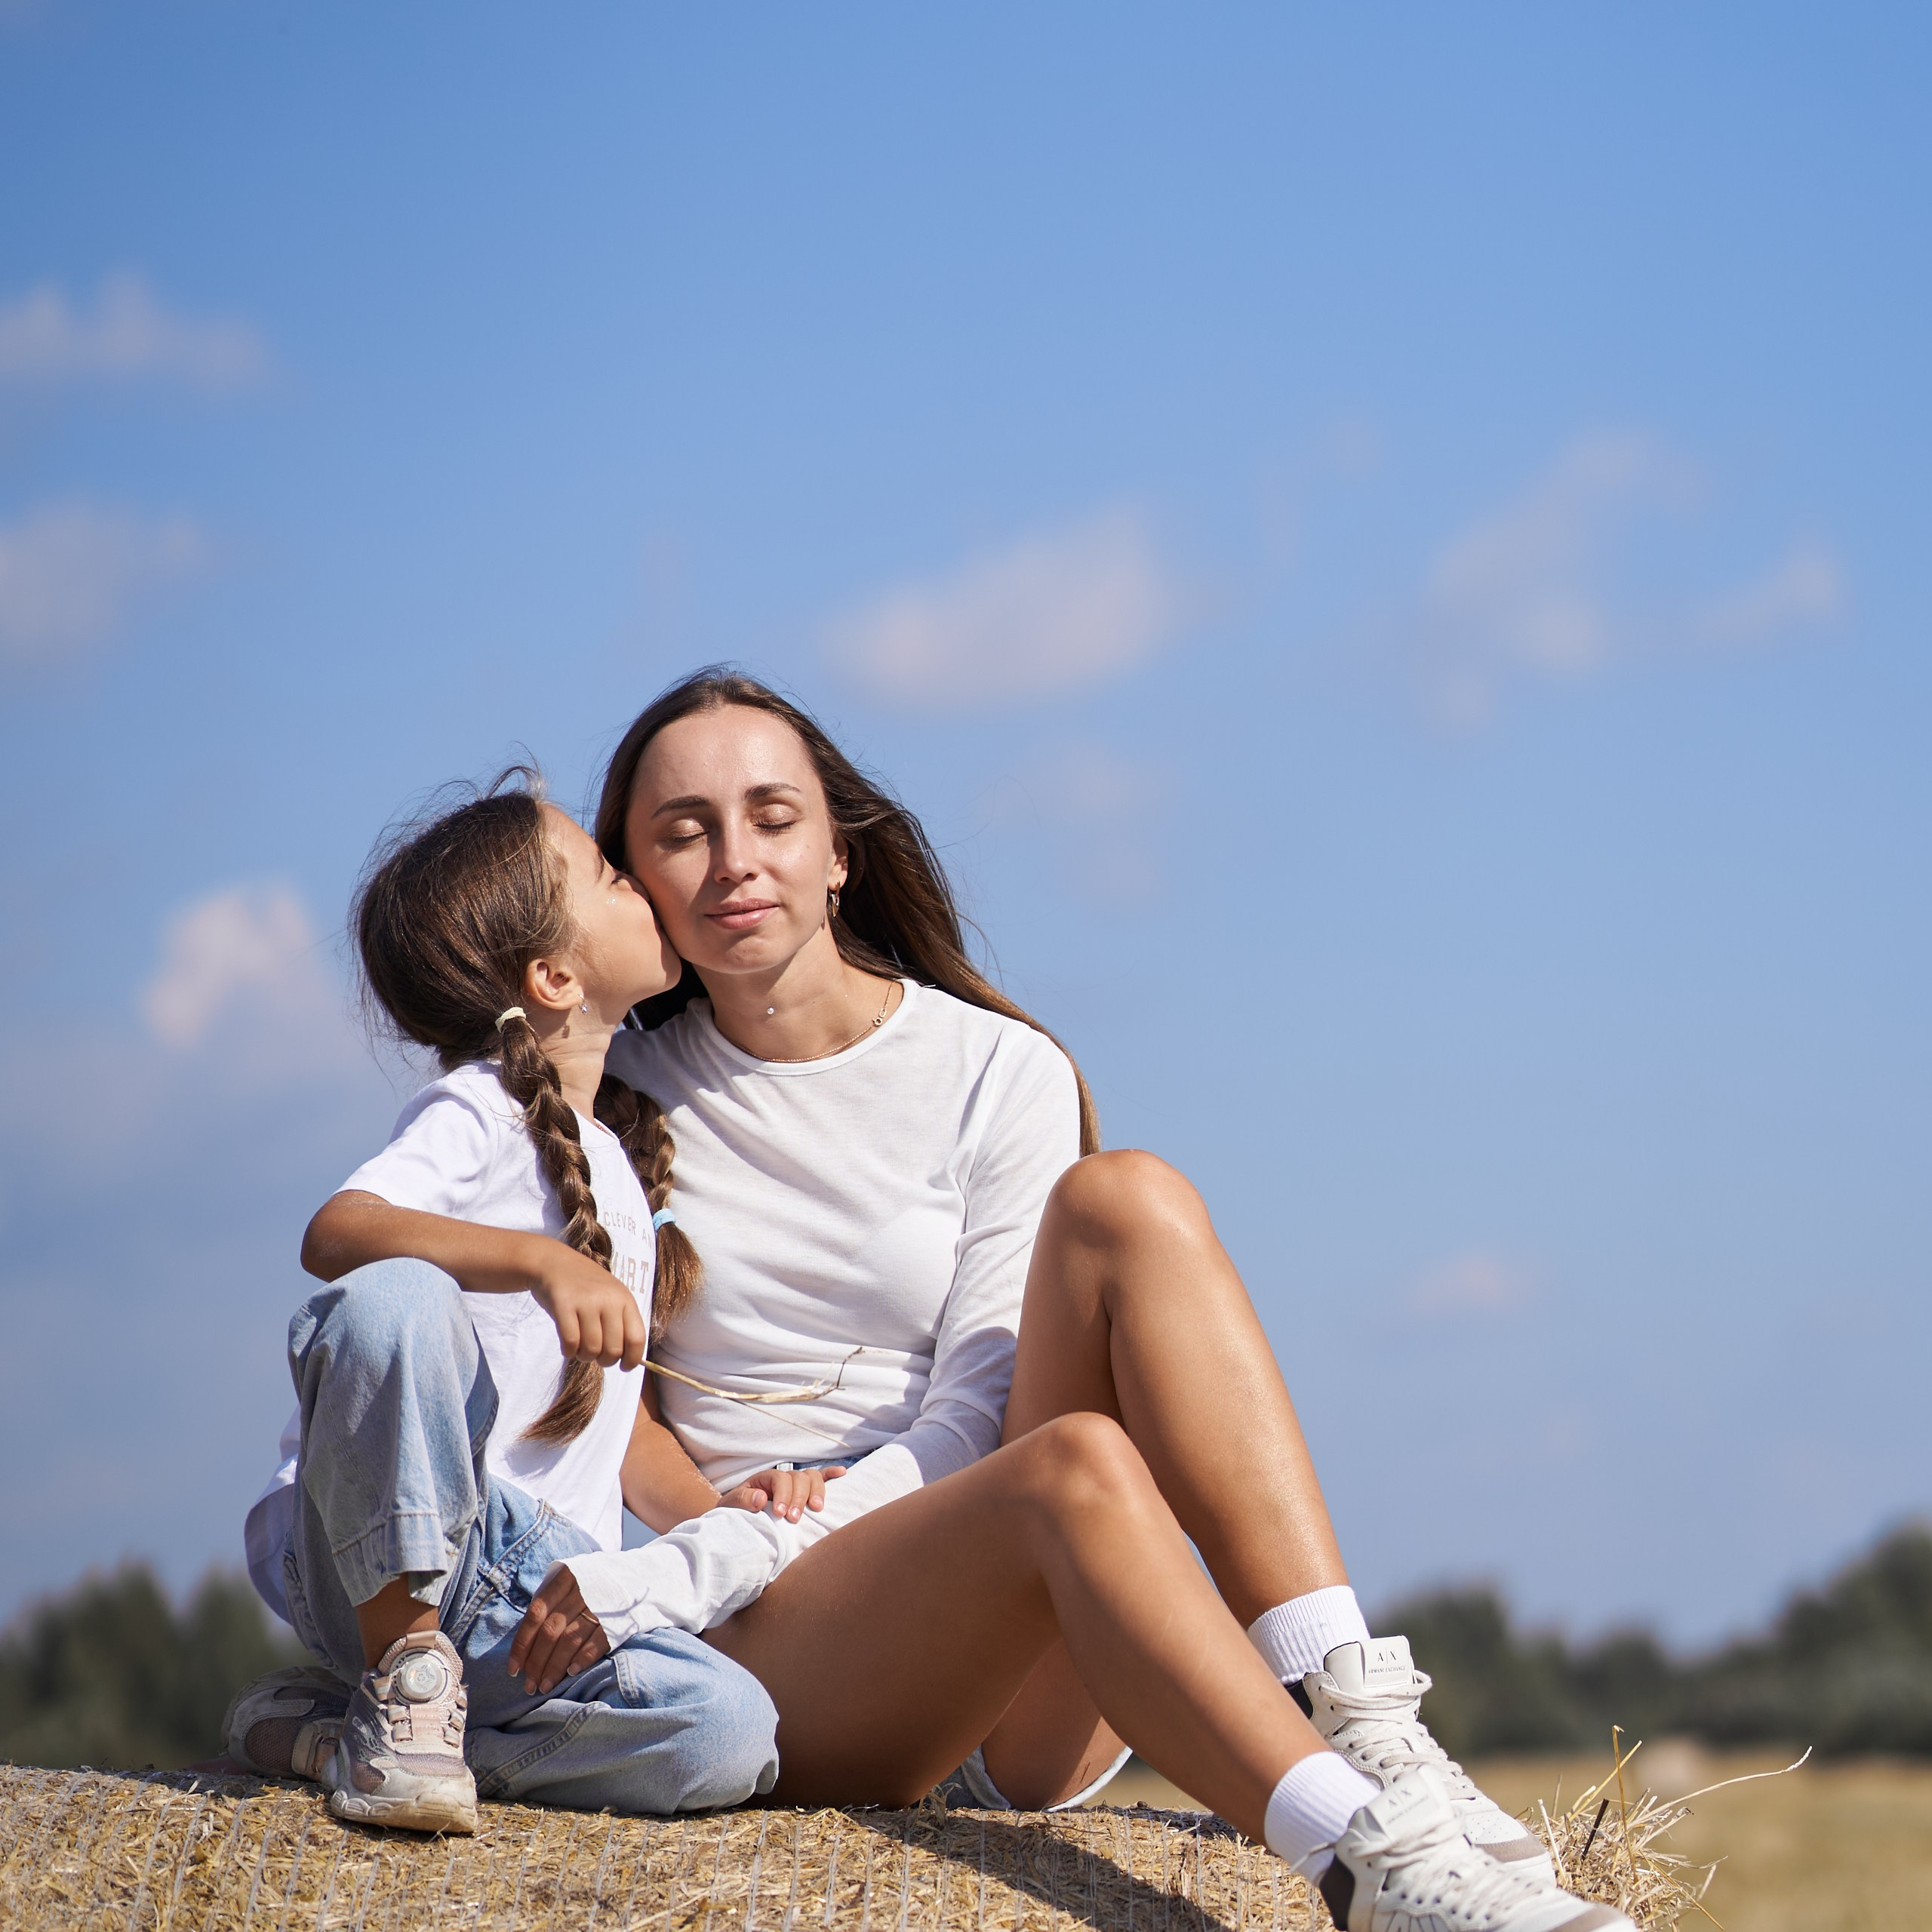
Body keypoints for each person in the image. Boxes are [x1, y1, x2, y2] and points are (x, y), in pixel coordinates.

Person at [292, 674, 1629, 1932]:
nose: (735, 859)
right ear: (630, 882)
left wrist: (797, 1525)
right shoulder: (596, 1085)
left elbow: (975, 1421)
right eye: (682, 833)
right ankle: (1371, 1869)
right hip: (784, 1654)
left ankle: (1364, 1721)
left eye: (773, 817)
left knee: (1129, 1201)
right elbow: (579, 1387)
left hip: (1013, 1643)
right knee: (1078, 1467)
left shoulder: (999, 1069)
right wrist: (711, 1533)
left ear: (839, 853)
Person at [229, 779, 801, 1831]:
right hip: (385, 1549)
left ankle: (360, 1735)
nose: (639, 887)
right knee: (393, 1299)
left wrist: (726, 1516)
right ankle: (399, 1660)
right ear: (554, 976)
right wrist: (538, 1264)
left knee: (728, 1734)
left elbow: (609, 1428)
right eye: (611, 876)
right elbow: (338, 1230)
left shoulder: (615, 1165)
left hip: (531, 1594)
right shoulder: (480, 1105)